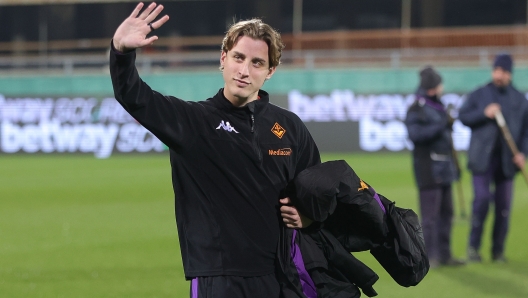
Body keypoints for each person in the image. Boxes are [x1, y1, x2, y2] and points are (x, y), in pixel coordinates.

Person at [109, 2, 320, 297]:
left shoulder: (290, 128)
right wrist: (121, 52)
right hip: (217, 278)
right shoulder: (193, 122)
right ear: (223, 58)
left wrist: (307, 214)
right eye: (238, 57)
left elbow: (315, 190)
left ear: (270, 70)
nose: (244, 70)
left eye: (257, 63)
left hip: (282, 276)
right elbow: (133, 96)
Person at [459, 53, 528, 263]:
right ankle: (473, 248)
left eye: (503, 72)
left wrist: (523, 153)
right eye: (497, 70)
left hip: (507, 163)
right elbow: (463, 117)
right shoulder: (480, 94)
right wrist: (484, 113)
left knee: (503, 208)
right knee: (481, 202)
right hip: (482, 160)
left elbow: (526, 131)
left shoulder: (519, 98)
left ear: (510, 74)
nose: (499, 75)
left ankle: (498, 251)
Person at [404, 66, 466, 268]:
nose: (442, 87)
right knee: (430, 217)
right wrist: (441, 126)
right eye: (439, 83)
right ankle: (430, 256)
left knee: (447, 213)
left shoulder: (437, 106)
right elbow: (415, 135)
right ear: (433, 86)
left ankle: (445, 254)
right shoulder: (417, 108)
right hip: (428, 167)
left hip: (445, 167)